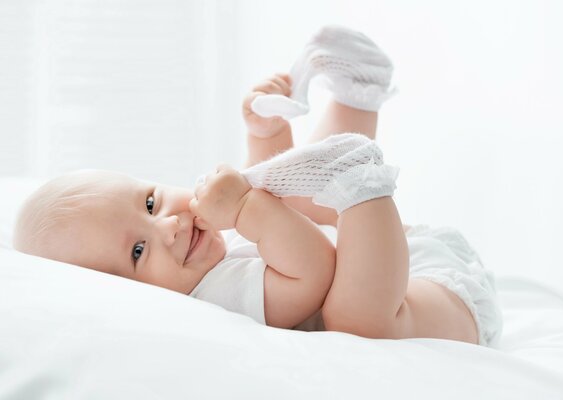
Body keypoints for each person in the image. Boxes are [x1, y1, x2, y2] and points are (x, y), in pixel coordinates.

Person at [12, 26, 502, 346]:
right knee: (360, 326)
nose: (170, 224)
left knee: (298, 203)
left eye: (149, 201)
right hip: (437, 304)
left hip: (403, 260)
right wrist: (245, 207)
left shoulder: (198, 252)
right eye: (138, 251)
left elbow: (277, 211)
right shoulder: (209, 297)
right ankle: (360, 175)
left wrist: (264, 134)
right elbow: (313, 265)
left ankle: (356, 94)